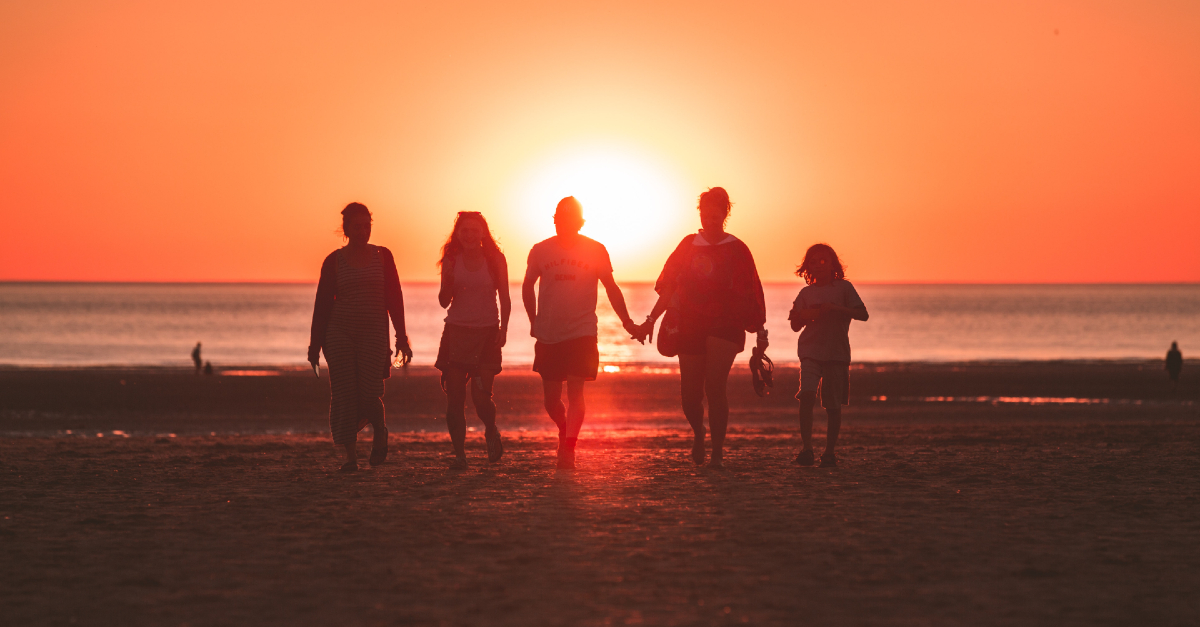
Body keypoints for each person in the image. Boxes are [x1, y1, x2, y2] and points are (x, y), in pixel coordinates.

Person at [637, 187, 767, 467]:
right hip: (690, 322)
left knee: (715, 386)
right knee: (690, 395)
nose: (709, 216)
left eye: (715, 210)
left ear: (725, 212)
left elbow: (751, 290)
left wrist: (760, 330)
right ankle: (699, 433)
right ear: (700, 212)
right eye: (704, 210)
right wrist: (651, 319)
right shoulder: (688, 245)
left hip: (727, 324)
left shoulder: (738, 248)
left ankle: (717, 452)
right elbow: (669, 286)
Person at [523, 196, 642, 469]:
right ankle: (564, 429)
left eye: (569, 220)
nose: (563, 224)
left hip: (582, 331)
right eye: (559, 219)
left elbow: (611, 288)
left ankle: (569, 447)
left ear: (579, 223)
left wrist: (626, 322)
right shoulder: (540, 250)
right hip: (549, 334)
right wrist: (534, 320)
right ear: (554, 221)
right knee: (551, 401)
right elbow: (527, 285)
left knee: (576, 393)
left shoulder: (595, 250)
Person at [308, 202, 412, 472]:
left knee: (369, 392)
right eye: (357, 226)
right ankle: (350, 457)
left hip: (374, 333)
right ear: (346, 229)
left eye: (367, 226)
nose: (363, 231)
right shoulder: (334, 261)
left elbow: (394, 298)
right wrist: (314, 345)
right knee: (343, 394)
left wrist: (402, 337)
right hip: (339, 332)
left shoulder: (383, 256)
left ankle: (380, 430)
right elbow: (322, 305)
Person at [435, 212, 511, 468]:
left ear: (482, 233)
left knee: (480, 398)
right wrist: (447, 282)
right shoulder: (451, 259)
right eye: (464, 231)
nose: (469, 235)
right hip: (456, 332)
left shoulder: (495, 259)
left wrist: (504, 328)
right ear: (457, 234)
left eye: (474, 230)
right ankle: (460, 456)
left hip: (487, 332)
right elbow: (444, 301)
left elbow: (505, 297)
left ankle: (491, 429)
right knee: (454, 399)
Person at [788, 244, 868, 468]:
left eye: (824, 261)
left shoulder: (844, 288)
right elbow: (794, 324)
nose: (819, 265)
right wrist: (806, 315)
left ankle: (829, 452)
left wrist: (836, 309)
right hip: (810, 351)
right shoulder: (806, 293)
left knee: (832, 405)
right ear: (807, 267)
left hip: (836, 353)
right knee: (806, 396)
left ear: (833, 264)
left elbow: (863, 314)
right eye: (813, 262)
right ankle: (807, 449)